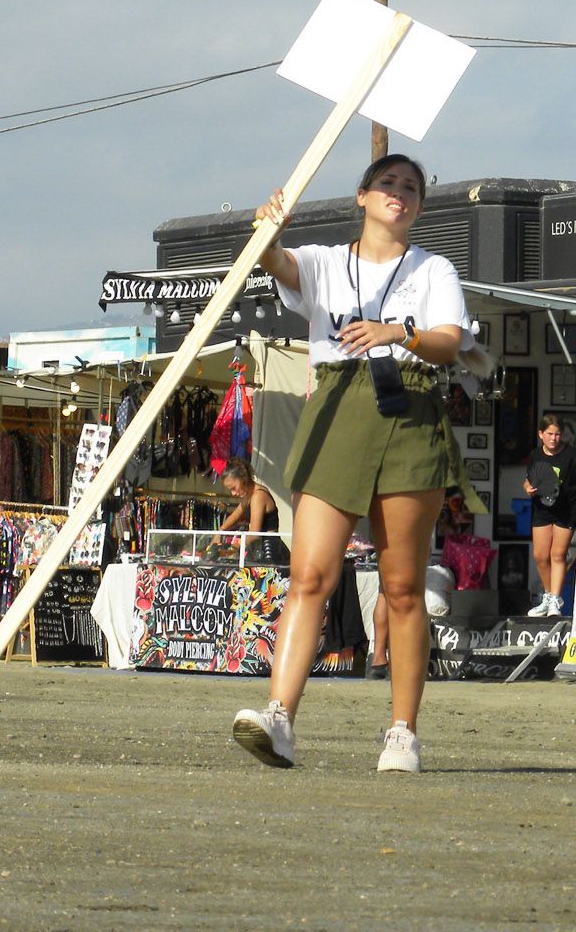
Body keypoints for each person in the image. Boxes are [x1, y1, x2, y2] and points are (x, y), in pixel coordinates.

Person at [231, 154, 474, 774]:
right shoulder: (323, 261)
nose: (399, 194)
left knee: (401, 588)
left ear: (420, 205)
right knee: (311, 574)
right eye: (388, 184)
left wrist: (401, 333)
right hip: (337, 407)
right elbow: (275, 261)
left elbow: (451, 339)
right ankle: (279, 718)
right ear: (362, 197)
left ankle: (402, 733)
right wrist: (270, 228)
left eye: (411, 188)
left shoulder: (433, 268)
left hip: (409, 407)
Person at [522, 414, 576, 617]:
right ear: (541, 434)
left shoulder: (572, 454)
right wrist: (528, 488)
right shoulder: (535, 455)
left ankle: (555, 601)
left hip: (567, 510)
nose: (554, 438)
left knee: (558, 555)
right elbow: (528, 481)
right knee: (540, 555)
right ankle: (548, 596)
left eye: (557, 434)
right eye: (549, 434)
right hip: (543, 510)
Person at [209, 457, 287, 566]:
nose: (233, 493)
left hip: (268, 553)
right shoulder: (250, 495)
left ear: (243, 479)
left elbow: (254, 534)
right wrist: (221, 531)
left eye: (234, 488)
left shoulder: (258, 496)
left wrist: (231, 549)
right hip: (259, 549)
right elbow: (236, 515)